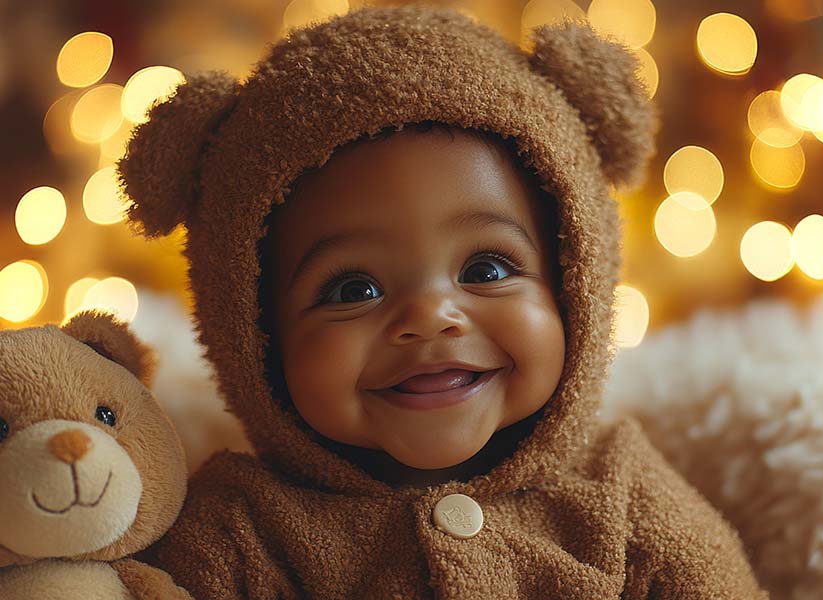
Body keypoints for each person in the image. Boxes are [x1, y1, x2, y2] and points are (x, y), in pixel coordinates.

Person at [118, 5, 768, 599]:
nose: (431, 316)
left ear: (574, 285)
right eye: (353, 289)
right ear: (253, 334)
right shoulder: (240, 533)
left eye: (486, 268)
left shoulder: (623, 496)